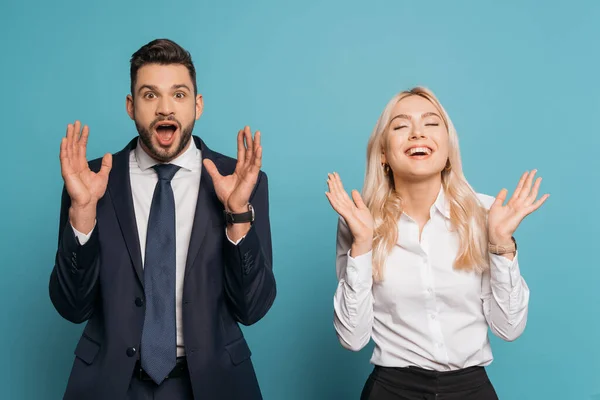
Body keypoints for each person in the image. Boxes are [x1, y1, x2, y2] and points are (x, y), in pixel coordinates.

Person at [49, 38, 276, 400]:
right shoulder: (89, 182)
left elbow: (253, 308)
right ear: (131, 106)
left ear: (198, 105)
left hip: (212, 384)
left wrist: (237, 214)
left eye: (180, 94)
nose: (165, 108)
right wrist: (83, 213)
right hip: (112, 385)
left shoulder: (240, 180)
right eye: (150, 95)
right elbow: (71, 306)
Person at [325, 87, 548, 400]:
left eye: (431, 124)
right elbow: (352, 337)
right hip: (391, 390)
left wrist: (501, 245)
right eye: (401, 126)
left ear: (447, 148)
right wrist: (362, 244)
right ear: (384, 155)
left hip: (472, 390)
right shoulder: (361, 220)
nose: (417, 133)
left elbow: (509, 329)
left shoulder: (486, 214)